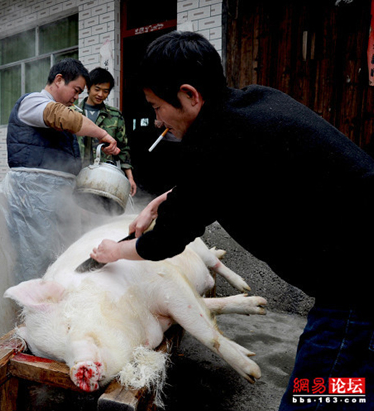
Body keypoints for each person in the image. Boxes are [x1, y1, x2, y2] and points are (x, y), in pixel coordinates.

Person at [90, 31, 374, 410]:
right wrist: (159, 203)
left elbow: (167, 240)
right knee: (354, 391)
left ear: (190, 95)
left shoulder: (212, 145)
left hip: (358, 286)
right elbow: (219, 180)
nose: (157, 120)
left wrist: (114, 251)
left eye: (157, 107)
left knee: (315, 396)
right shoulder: (253, 105)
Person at [0, 58, 120, 337]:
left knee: (58, 260)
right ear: (59, 80)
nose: (77, 97)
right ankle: (27, 328)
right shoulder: (33, 103)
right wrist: (102, 134)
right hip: (32, 197)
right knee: (33, 263)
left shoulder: (62, 112)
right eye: (76, 90)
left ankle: (52, 327)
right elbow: (65, 118)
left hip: (55, 198)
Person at [76, 67, 137, 196]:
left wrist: (130, 178)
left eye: (105, 91)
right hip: (77, 175)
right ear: (88, 87)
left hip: (104, 179)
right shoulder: (73, 113)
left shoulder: (115, 115)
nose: (100, 95)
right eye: (97, 89)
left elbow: (123, 148)